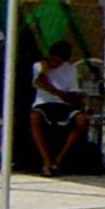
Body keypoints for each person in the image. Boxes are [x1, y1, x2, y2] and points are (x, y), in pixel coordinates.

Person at [29, 40, 88, 176]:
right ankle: (46, 160)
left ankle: (59, 159)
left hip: (63, 103)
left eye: (60, 61)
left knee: (82, 120)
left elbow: (72, 95)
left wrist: (56, 91)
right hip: (44, 102)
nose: (57, 64)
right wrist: (45, 70)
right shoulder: (39, 66)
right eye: (55, 60)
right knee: (35, 117)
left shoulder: (70, 69)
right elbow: (38, 82)